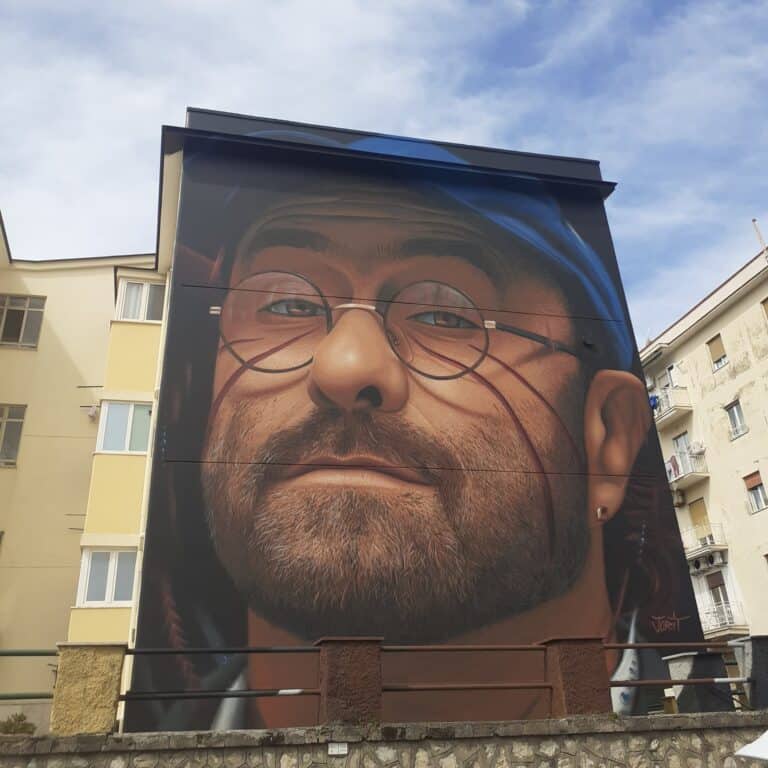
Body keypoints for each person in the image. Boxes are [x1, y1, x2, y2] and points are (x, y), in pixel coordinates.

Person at [128, 135, 699, 731]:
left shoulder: (699, 710)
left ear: (606, 440)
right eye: (287, 304)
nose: (344, 367)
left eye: (444, 315)